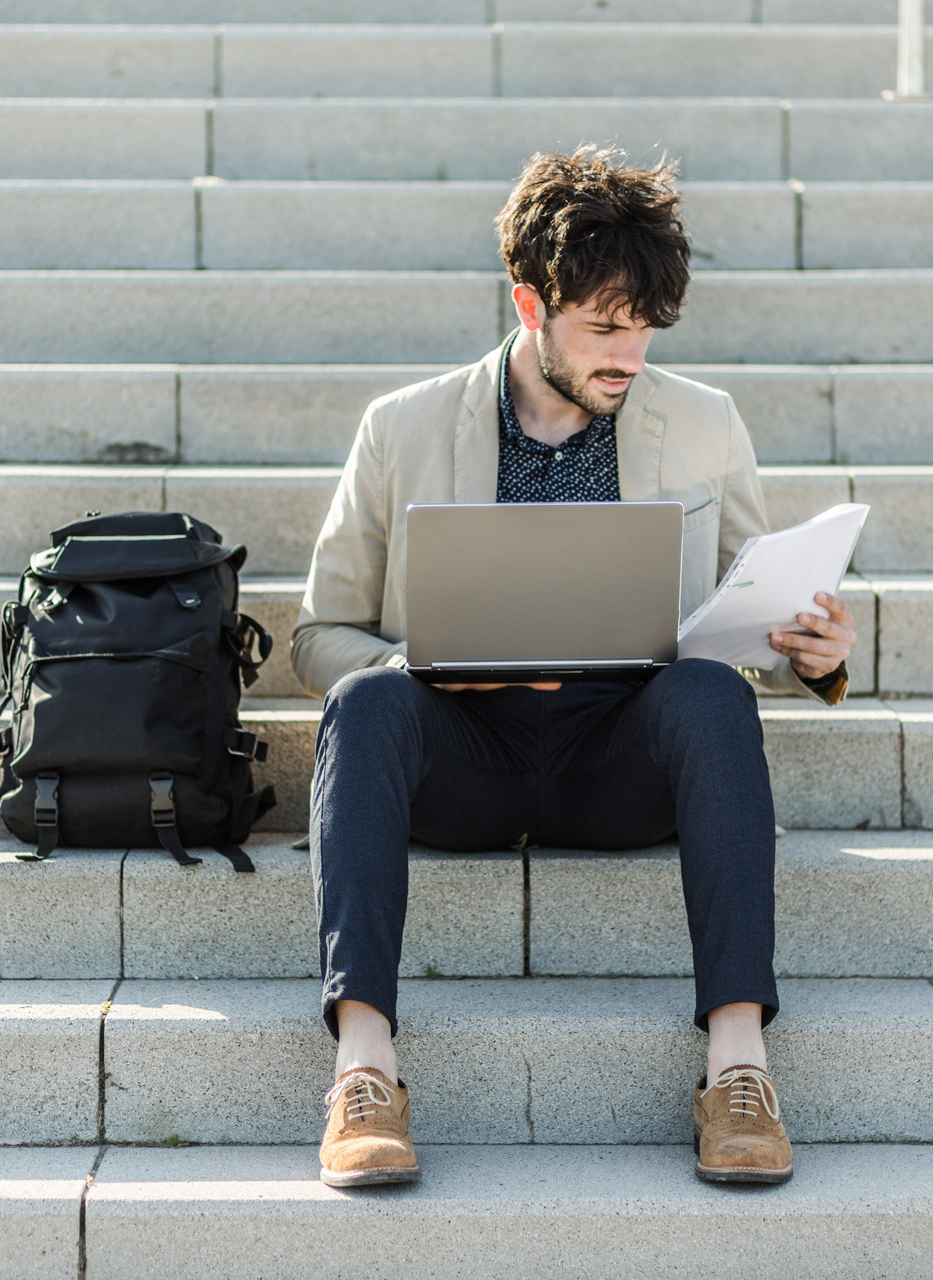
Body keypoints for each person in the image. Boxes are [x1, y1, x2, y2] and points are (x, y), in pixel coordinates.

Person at [292, 146, 856, 1189]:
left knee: (711, 691)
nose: (628, 353)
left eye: (643, 326)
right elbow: (318, 635)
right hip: (461, 747)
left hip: (618, 753)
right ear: (528, 303)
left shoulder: (704, 420)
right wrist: (423, 664)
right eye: (602, 326)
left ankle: (739, 1069)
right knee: (366, 703)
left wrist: (808, 651)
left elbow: (753, 611)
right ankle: (364, 1069)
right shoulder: (401, 427)